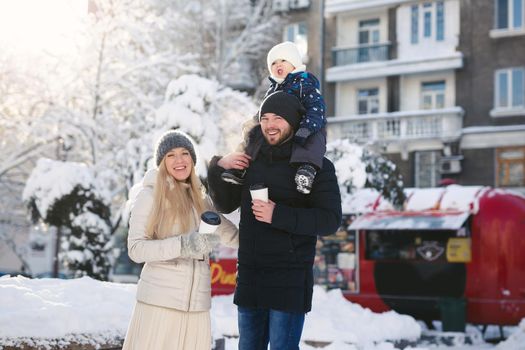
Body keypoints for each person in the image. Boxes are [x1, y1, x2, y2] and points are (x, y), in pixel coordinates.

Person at [207, 91, 342, 350]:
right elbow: (225, 204)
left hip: (289, 280)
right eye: (265, 118)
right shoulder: (250, 160)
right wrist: (218, 168)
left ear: (293, 121)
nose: (270, 124)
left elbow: (329, 220)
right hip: (250, 275)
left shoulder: (315, 167)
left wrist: (277, 214)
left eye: (278, 118)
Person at [122, 130, 239, 350]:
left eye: (185, 153)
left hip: (197, 308)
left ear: (192, 160)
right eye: (171, 155)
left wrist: (264, 231)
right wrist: (184, 245)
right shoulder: (150, 196)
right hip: (160, 304)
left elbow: (232, 237)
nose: (179, 160)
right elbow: (136, 249)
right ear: (162, 162)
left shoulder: (201, 200)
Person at [221, 41, 327, 194]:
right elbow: (266, 110)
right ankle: (240, 168)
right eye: (274, 63)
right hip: (279, 130)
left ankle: (306, 169)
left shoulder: (305, 83)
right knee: (253, 135)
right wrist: (254, 123)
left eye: (283, 60)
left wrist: (307, 126)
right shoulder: (272, 89)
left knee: (315, 138)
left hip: (304, 125)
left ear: (294, 63)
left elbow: (316, 108)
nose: (278, 65)